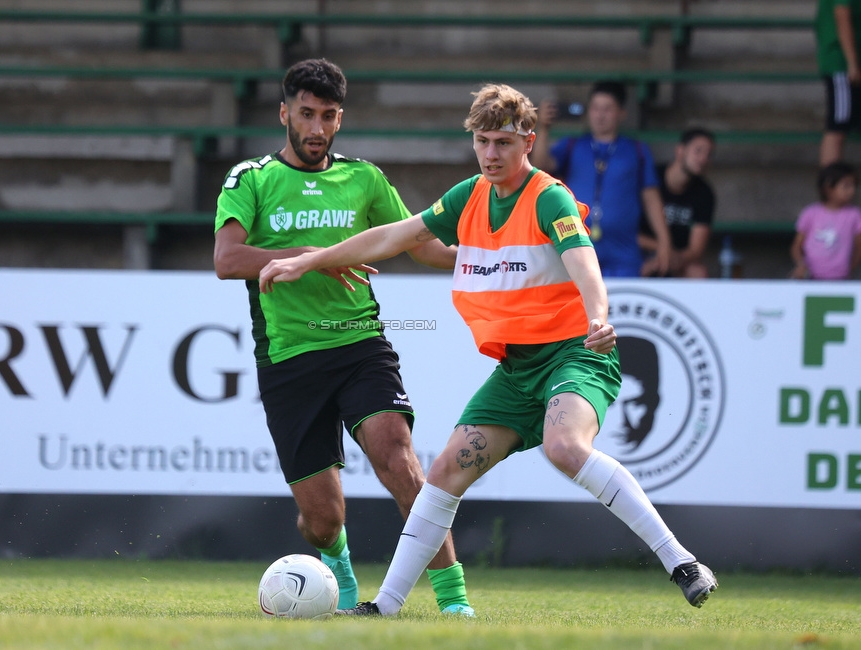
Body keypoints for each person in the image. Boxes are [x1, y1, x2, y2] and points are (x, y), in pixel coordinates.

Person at [259, 83, 718, 616]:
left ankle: (682, 562)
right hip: (518, 367)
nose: (491, 154)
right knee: (444, 473)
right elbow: (394, 236)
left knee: (564, 449)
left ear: (528, 141)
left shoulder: (550, 196)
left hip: (574, 353)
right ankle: (384, 607)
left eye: (503, 142)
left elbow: (583, 261)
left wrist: (599, 317)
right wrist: (308, 260)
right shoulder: (468, 196)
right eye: (482, 142)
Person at [213, 58, 474, 616]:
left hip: (360, 345)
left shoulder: (364, 179)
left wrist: (488, 259)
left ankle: (454, 602)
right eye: (305, 114)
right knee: (322, 519)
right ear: (285, 113)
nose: (316, 128)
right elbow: (227, 259)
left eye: (327, 116)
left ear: (339, 119)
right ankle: (339, 565)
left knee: (399, 460)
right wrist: (310, 258)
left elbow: (424, 246)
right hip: (289, 358)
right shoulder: (251, 179)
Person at [532, 81, 673, 277]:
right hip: (577, 246)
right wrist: (544, 129)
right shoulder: (573, 145)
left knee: (621, 305)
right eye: (595, 108)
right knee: (579, 305)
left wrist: (664, 241)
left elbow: (651, 197)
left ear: (621, 113)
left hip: (624, 252)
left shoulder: (636, 150)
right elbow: (541, 167)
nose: (600, 115)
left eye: (607, 109)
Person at [639, 128, 717, 278]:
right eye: (698, 151)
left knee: (698, 273)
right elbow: (628, 233)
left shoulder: (704, 193)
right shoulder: (651, 179)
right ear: (680, 151)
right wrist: (663, 250)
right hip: (639, 253)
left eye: (709, 155)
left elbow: (696, 250)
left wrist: (672, 257)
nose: (703, 159)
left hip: (677, 258)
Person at [790, 161, 861, 279]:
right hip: (811, 277)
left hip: (841, 278)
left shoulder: (855, 215)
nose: (851, 190)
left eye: (854, 185)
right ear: (828, 187)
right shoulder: (811, 213)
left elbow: (859, 246)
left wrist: (850, 269)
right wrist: (801, 265)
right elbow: (797, 246)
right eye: (846, 186)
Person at [816, 0, 861, 167]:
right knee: (838, 126)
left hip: (845, 63)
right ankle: (831, 185)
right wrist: (852, 62)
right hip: (841, 64)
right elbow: (842, 17)